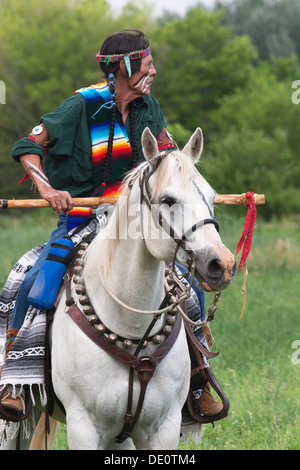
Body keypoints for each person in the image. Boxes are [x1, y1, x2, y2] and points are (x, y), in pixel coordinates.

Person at [0, 30, 222, 419]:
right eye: (148, 63)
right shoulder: (82, 105)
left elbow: (170, 161)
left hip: (136, 220)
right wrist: (49, 189)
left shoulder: (149, 108)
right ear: (125, 66)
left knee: (190, 289)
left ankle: (200, 380)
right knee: (37, 279)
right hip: (81, 217)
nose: (154, 70)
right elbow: (28, 146)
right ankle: (15, 382)